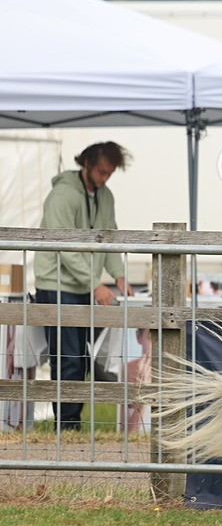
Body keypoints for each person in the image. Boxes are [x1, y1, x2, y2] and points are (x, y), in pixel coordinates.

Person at [34, 142, 134, 430]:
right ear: (87, 163)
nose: (105, 178)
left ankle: (70, 426)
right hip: (56, 286)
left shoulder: (105, 196)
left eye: (110, 173)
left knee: (80, 359)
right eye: (102, 172)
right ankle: (67, 427)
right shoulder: (62, 196)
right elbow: (63, 247)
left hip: (80, 287)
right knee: (69, 360)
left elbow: (109, 235)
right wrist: (96, 284)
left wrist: (118, 275)